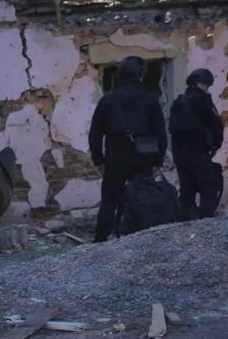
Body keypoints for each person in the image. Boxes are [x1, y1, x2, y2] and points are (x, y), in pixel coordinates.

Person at [88, 56, 167, 242]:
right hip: (143, 155)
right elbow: (161, 133)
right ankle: (142, 237)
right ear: (140, 75)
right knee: (142, 197)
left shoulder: (108, 100)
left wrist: (98, 160)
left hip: (116, 154)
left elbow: (95, 133)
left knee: (109, 200)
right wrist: (158, 160)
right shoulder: (150, 99)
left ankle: (100, 240)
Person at [169, 68, 225, 220]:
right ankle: (205, 222)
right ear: (202, 83)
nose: (207, 89)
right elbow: (216, 126)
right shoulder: (202, 101)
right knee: (210, 184)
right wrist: (215, 146)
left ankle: (186, 219)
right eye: (207, 85)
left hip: (179, 153)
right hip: (197, 151)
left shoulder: (178, 102)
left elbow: (172, 130)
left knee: (187, 189)